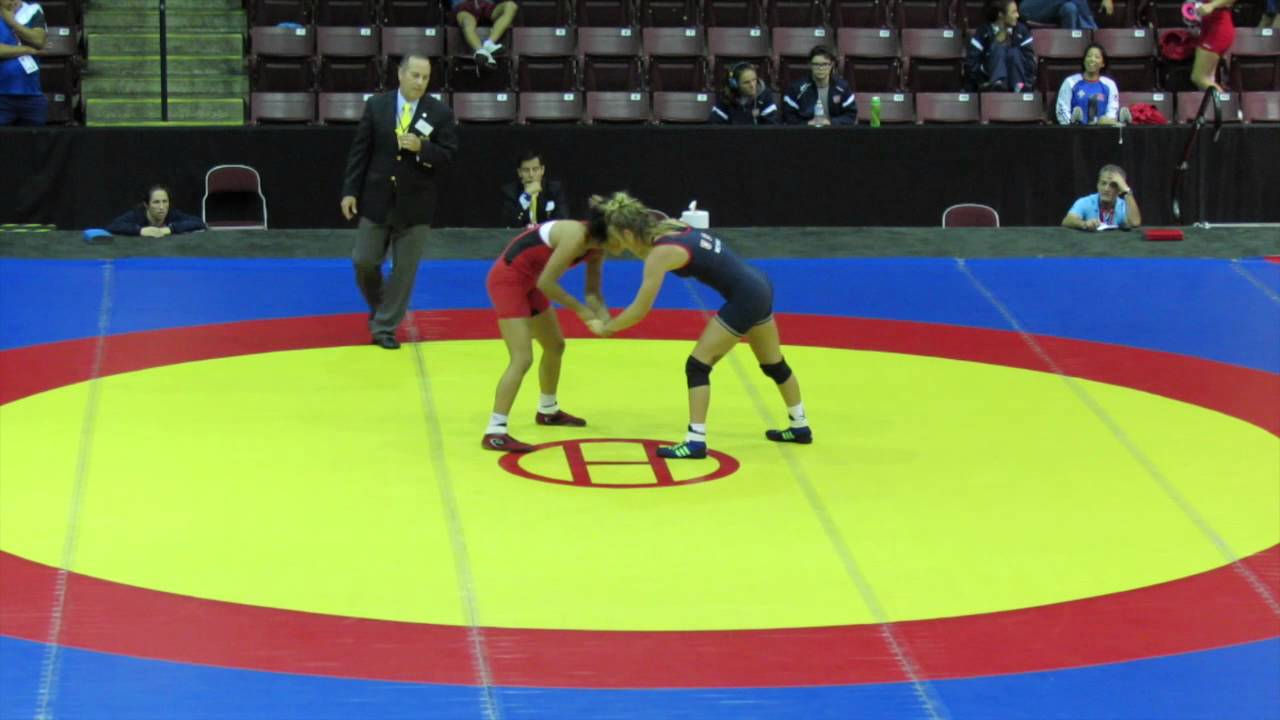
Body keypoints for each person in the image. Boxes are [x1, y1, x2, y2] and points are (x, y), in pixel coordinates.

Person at [586, 192, 812, 460]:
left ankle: (695, 441)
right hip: (758, 284)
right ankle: (800, 426)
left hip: (746, 297)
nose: (622, 247)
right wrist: (605, 208)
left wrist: (609, 327)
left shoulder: (661, 253)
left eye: (621, 240)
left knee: (698, 365)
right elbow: (640, 212)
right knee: (773, 364)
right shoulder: (668, 224)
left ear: (628, 232)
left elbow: (640, 309)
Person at [341, 54, 460, 350]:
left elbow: (449, 156)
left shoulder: (439, 112)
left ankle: (384, 328)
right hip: (377, 198)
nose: (420, 82)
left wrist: (423, 148)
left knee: (404, 271)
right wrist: (349, 191)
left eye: (425, 77)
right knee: (363, 261)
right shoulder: (377, 106)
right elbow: (360, 152)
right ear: (401, 74)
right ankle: (383, 307)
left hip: (416, 204)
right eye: (415, 75)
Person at [482, 217, 610, 452]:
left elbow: (592, 292)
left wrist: (606, 319)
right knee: (522, 358)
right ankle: (495, 431)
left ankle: (548, 410)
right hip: (508, 280)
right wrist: (584, 314)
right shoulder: (575, 236)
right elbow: (547, 283)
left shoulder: (598, 248)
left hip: (530, 281)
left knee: (555, 346)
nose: (625, 248)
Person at [964, 0, 1036, 92]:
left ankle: (1018, 86)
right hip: (989, 82)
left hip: (1019, 82)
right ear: (1001, 15)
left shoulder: (1022, 31)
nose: (1017, 15)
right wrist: (984, 74)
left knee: (1014, 52)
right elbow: (971, 66)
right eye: (1013, 12)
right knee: (998, 50)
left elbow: (1030, 64)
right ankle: (998, 84)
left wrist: (1027, 82)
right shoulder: (983, 32)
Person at [782, 46, 856, 126]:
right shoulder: (796, 88)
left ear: (832, 65)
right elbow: (788, 117)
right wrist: (807, 124)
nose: (820, 68)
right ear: (810, 65)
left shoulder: (843, 87)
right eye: (816, 64)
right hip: (806, 134)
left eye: (824, 64)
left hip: (835, 133)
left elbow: (851, 116)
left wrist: (831, 122)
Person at [0, 0, 47, 126]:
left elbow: (38, 40)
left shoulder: (33, 10)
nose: (14, 1)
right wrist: (28, 50)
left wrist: (12, 22)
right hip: (2, 97)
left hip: (32, 96)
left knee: (34, 144)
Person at [1061, 164, 1143, 231]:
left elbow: (1135, 223)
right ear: (1097, 185)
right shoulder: (1085, 202)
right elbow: (1067, 220)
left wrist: (1126, 190)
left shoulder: (1124, 205)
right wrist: (1084, 224)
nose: (1106, 189)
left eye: (1113, 185)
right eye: (1103, 183)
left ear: (1119, 190)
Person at [500, 150, 569, 228]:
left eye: (535, 169)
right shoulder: (510, 192)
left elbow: (562, 220)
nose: (531, 175)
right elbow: (508, 224)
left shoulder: (554, 189)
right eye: (526, 170)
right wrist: (526, 196)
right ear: (519, 172)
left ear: (542, 170)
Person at [1056, 43, 1120, 125]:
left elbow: (1112, 111)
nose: (1092, 59)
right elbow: (1062, 109)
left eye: (1097, 57)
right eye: (1089, 56)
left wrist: (1105, 124)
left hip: (1102, 132)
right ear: (1084, 60)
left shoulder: (1110, 85)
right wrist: (1070, 127)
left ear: (1103, 63)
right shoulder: (1070, 82)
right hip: (1074, 132)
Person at [106, 185, 207, 237]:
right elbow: (113, 226)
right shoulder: (137, 215)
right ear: (146, 205)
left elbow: (199, 223)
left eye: (165, 201)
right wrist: (140, 230)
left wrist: (170, 229)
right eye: (156, 202)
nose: (162, 207)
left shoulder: (172, 214)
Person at [450, 0, 517, 70]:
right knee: (467, 22)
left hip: (487, 5)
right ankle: (480, 50)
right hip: (463, 7)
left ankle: (489, 43)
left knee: (511, 5)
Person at [709, 61, 781, 125]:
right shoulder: (725, 98)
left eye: (754, 80)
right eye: (746, 82)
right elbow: (716, 126)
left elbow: (772, 125)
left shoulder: (765, 96)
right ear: (734, 84)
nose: (752, 85)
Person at [1190, 0, 1238, 93]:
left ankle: (1225, 105)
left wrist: (1212, 5)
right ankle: (1217, 106)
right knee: (1208, 79)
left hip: (1219, 28)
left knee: (1199, 77)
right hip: (1207, 26)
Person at [1018, 0, 1102, 30]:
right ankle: (1093, 29)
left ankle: (1071, 47)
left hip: (1052, 9)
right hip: (1030, 8)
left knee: (1070, 9)